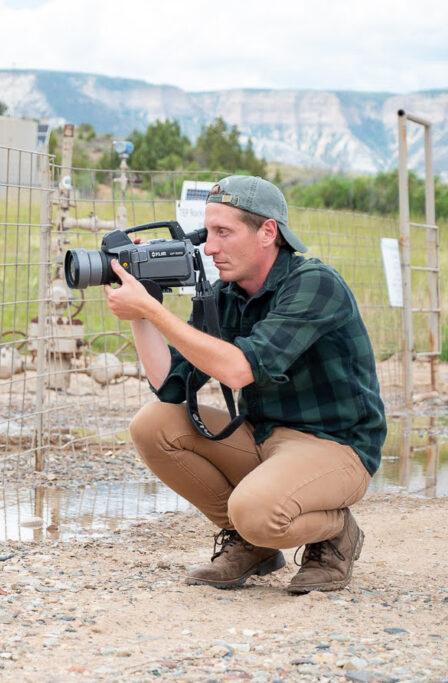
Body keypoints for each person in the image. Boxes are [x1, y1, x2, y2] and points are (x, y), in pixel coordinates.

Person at [105, 175, 386, 593]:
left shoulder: (314, 284)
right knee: (153, 425)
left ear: (267, 232)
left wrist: (155, 313)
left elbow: (239, 370)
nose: (209, 247)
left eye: (223, 232)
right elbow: (169, 383)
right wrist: (142, 311)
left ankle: (334, 532)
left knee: (255, 510)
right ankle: (252, 546)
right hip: (264, 437)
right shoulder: (227, 294)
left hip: (335, 445)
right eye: (207, 232)